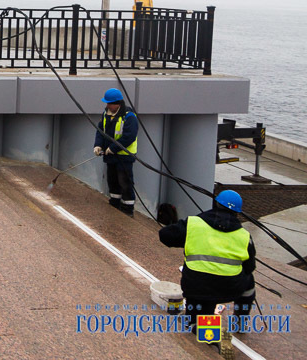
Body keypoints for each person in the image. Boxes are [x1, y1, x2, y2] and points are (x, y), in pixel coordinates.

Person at [158, 190, 256, 330]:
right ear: (237, 213)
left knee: (200, 291)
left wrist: (189, 240)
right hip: (228, 289)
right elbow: (249, 267)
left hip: (196, 287)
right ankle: (240, 321)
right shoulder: (244, 236)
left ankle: (193, 323)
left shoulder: (193, 224)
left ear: (215, 204)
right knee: (249, 281)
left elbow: (165, 235)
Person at [93, 88, 138, 215]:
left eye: (109, 103)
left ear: (117, 103)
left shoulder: (129, 117)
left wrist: (112, 148)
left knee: (125, 181)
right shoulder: (106, 114)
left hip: (124, 156)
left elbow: (129, 137)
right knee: (112, 180)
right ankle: (115, 202)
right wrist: (98, 145)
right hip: (111, 156)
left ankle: (128, 208)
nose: (107, 105)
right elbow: (101, 130)